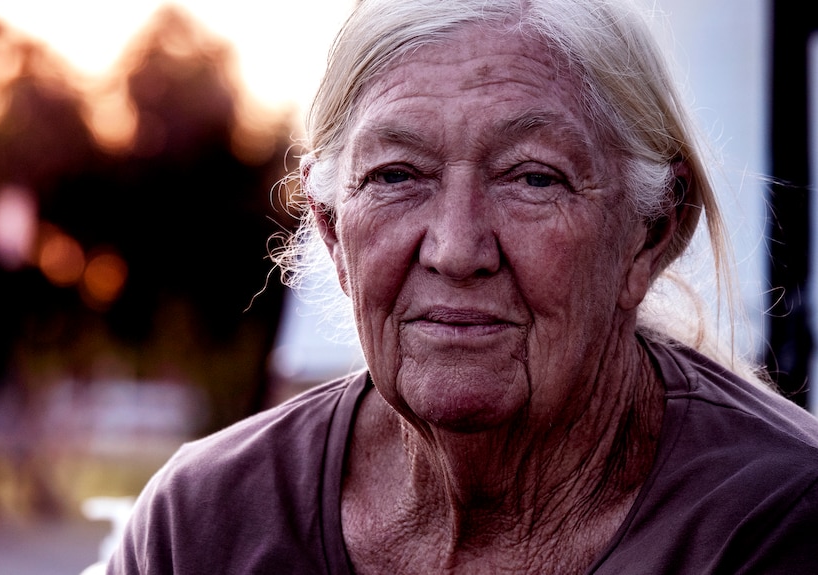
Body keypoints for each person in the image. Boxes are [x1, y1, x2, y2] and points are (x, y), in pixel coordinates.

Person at [107, 0, 818, 573]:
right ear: (330, 231)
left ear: (652, 231)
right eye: (395, 175)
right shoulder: (202, 522)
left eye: (533, 177)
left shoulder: (781, 519)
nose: (456, 249)